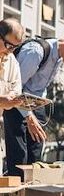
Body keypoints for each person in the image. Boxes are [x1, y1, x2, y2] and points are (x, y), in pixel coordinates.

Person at [4, 33, 64, 177]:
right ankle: (16, 189)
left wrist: (41, 106)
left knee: (36, 155)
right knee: (19, 156)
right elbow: (15, 88)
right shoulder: (35, 52)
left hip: (35, 103)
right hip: (16, 104)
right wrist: (29, 117)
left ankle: (32, 190)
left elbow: (40, 87)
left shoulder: (59, 57)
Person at [0, 20, 25, 174]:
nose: (10, 51)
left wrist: (12, 98)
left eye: (15, 48)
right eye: (9, 46)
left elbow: (16, 89)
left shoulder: (12, 61)